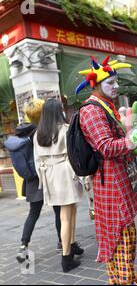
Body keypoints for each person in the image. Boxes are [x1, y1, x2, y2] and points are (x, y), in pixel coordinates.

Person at [77, 56, 137, 285]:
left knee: (123, 236)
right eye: (110, 83)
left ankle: (121, 279)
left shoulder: (106, 106)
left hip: (117, 179)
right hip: (111, 183)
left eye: (116, 82)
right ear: (95, 85)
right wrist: (133, 141)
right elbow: (105, 147)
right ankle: (125, 281)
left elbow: (116, 141)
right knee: (122, 238)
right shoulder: (92, 111)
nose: (116, 87)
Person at [33, 98, 84, 273]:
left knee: (71, 210)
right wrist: (82, 176)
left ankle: (72, 244)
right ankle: (66, 257)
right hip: (64, 173)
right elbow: (73, 154)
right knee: (66, 216)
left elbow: (36, 160)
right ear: (58, 111)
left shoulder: (38, 134)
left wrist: (43, 179)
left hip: (49, 174)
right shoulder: (65, 129)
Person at [15, 99, 62, 264]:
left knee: (33, 213)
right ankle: (62, 242)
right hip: (46, 175)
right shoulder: (41, 132)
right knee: (58, 209)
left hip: (32, 181)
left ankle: (23, 246)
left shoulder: (21, 132)